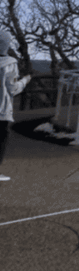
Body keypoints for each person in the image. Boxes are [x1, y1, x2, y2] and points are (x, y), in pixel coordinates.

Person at [0, 30, 31, 181]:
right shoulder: (9, 63)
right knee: (1, 139)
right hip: (1, 109)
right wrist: (24, 81)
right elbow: (12, 89)